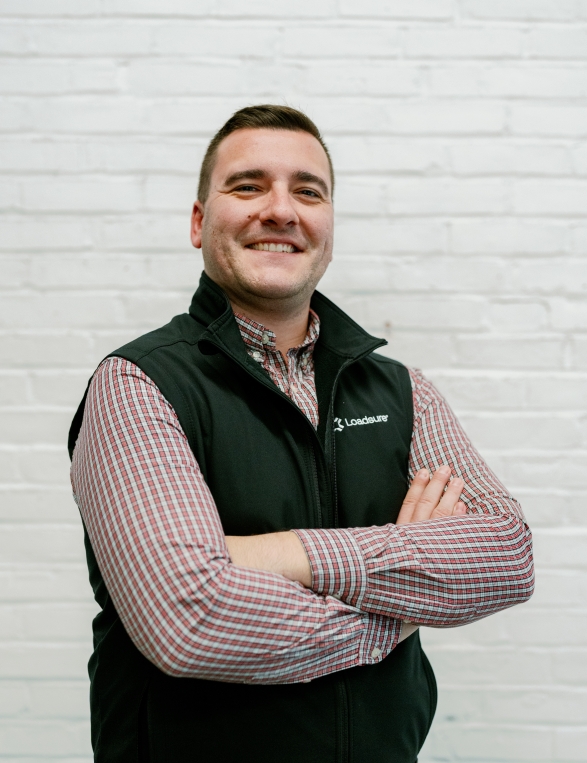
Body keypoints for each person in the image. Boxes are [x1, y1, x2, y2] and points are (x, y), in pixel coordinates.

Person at [68, 104, 534, 763]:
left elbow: (507, 555)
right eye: (248, 186)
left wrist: (275, 555)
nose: (281, 210)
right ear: (199, 222)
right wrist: (400, 608)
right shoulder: (139, 384)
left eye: (308, 192)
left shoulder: (401, 390)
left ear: (328, 227)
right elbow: (189, 620)